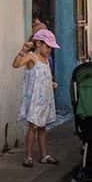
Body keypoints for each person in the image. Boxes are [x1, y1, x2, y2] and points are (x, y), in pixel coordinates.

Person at [13, 29, 60, 166]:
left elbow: (43, 77)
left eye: (51, 47)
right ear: (38, 44)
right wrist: (23, 50)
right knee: (33, 126)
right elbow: (16, 64)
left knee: (42, 127)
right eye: (48, 46)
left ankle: (44, 155)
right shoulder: (31, 57)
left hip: (44, 99)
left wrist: (51, 83)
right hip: (34, 99)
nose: (50, 49)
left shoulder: (46, 60)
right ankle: (28, 156)